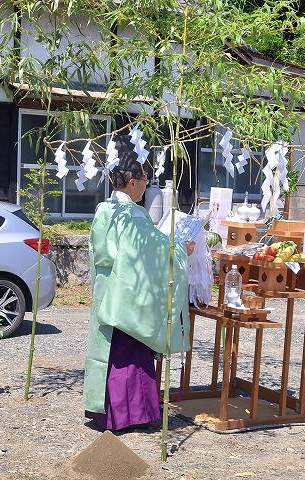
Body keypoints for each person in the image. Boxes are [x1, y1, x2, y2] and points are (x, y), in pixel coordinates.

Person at [83, 157, 195, 431]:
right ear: (132, 182)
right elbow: (150, 252)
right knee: (129, 352)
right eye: (144, 182)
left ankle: (104, 413)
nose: (146, 188)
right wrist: (181, 251)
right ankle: (126, 416)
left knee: (108, 354)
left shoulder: (104, 209)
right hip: (126, 294)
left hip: (106, 287)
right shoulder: (130, 214)